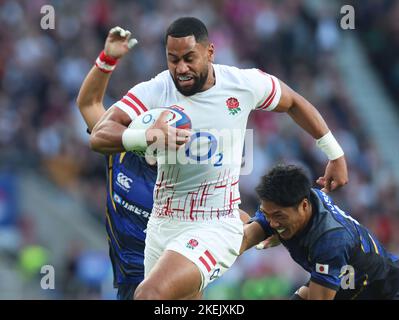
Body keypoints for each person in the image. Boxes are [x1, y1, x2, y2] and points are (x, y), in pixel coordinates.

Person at [87, 17, 348, 300]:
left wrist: (335, 153)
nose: (181, 68)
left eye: (189, 58)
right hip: (162, 225)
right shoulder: (157, 90)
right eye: (172, 60)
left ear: (210, 52)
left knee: (149, 295)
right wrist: (148, 136)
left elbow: (294, 102)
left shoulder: (241, 84)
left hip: (215, 224)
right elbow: (99, 134)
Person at [76, 31, 157, 300]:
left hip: (166, 282)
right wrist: (107, 58)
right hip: (128, 284)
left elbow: (223, 206)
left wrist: (260, 226)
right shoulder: (117, 153)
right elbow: (89, 103)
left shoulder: (180, 173)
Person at [241, 164, 399, 300]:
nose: (272, 223)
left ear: (303, 206)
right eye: (266, 214)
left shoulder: (331, 241)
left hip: (383, 291)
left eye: (278, 216)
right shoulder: (288, 202)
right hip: (344, 279)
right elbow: (246, 237)